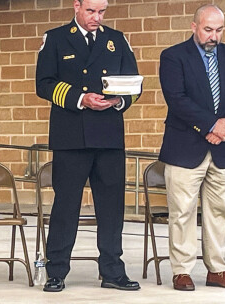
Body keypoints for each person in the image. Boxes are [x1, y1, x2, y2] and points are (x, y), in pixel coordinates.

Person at [35, 0, 141, 292]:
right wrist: (81, 99)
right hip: (71, 136)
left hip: (108, 135)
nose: (97, 17)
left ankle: (112, 271)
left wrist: (118, 100)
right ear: (77, 6)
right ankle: (56, 271)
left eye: (102, 11)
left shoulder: (116, 40)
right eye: (92, 11)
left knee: (111, 207)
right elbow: (43, 83)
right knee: (66, 206)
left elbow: (134, 84)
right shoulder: (56, 39)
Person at [159, 4, 225, 291]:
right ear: (194, 26)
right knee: (181, 211)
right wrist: (211, 125)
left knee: (219, 211)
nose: (213, 36)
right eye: (208, 29)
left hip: (224, 147)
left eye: (219, 30)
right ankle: (182, 271)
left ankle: (217, 269)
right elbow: (177, 99)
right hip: (185, 146)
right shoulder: (173, 56)